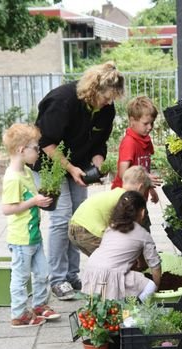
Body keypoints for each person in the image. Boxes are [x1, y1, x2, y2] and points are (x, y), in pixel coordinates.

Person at [31, 61, 125, 300]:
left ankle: (73, 275)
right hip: (50, 162)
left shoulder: (106, 109)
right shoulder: (63, 101)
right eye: (105, 98)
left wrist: (96, 164)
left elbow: (99, 143)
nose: (108, 103)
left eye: (112, 99)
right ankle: (58, 279)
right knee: (61, 219)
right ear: (93, 91)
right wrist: (71, 169)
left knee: (77, 219)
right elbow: (46, 142)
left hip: (78, 163)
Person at [1, 123, 61, 328]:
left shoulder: (26, 172)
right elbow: (7, 208)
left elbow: (31, 197)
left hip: (34, 235)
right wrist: (34, 202)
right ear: (21, 150)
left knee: (43, 272)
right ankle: (18, 314)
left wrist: (40, 199)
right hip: (21, 239)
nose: (38, 151)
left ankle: (39, 305)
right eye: (35, 148)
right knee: (21, 277)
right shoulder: (12, 178)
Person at [81, 191, 162, 301]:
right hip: (111, 276)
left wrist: (141, 264)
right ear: (142, 213)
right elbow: (155, 265)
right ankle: (135, 310)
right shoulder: (143, 234)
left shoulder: (111, 227)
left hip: (91, 270)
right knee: (150, 286)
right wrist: (157, 286)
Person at [68, 165, 152, 256]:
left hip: (74, 226)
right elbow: (126, 227)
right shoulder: (127, 199)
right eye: (144, 190)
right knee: (115, 258)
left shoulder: (115, 193)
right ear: (140, 187)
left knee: (100, 260)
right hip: (89, 232)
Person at [111, 96, 162, 230]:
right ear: (132, 120)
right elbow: (123, 173)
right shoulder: (129, 143)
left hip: (139, 198)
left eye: (152, 123)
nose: (150, 127)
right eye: (145, 123)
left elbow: (145, 168)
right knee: (137, 233)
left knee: (143, 232)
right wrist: (145, 178)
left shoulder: (145, 140)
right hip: (126, 200)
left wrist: (151, 190)